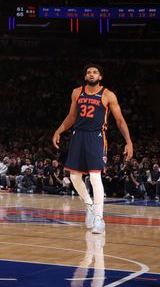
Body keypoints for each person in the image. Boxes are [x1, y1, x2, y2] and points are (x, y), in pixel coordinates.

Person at [52, 63, 134, 234]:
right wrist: (59, 130)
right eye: (88, 72)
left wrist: (129, 142)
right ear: (85, 76)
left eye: (95, 72)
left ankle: (99, 219)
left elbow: (119, 120)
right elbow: (72, 116)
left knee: (95, 177)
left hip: (96, 136)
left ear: (100, 77)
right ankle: (89, 206)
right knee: (74, 177)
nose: (91, 74)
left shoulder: (108, 95)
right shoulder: (77, 92)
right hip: (78, 135)